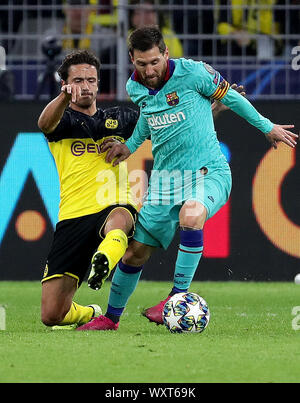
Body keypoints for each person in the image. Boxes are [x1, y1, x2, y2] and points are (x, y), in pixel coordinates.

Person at [76, 26, 297, 332]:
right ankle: (110, 319)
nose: (150, 70)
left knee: (191, 215)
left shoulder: (194, 73)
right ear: (132, 60)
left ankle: (177, 297)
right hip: (165, 181)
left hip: (208, 172)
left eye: (155, 61)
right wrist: (129, 147)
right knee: (134, 253)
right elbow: (147, 120)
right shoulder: (135, 87)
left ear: (166, 53)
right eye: (142, 64)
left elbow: (231, 97)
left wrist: (266, 126)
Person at [38, 49, 139, 329]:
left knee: (121, 217)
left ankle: (102, 261)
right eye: (79, 80)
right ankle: (92, 312)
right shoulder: (63, 121)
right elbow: (44, 124)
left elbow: (167, 125)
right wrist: (62, 97)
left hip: (113, 203)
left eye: (91, 80)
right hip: (73, 215)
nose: (86, 86)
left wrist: (212, 109)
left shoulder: (121, 118)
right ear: (67, 84)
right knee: (51, 315)